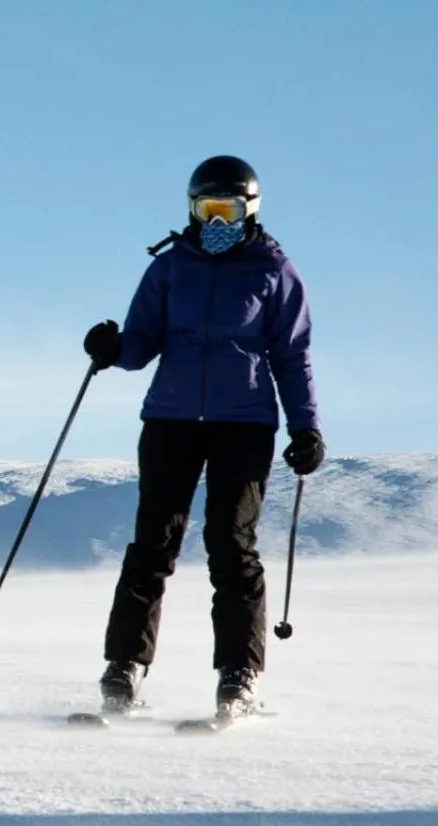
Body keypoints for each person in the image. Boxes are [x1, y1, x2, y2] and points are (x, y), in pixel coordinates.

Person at [81, 155, 325, 718]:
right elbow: (141, 342)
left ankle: (239, 674)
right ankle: (124, 668)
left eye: (228, 210)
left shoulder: (273, 270)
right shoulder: (170, 268)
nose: (216, 223)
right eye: (206, 210)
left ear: (250, 211)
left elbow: (293, 356)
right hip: (169, 420)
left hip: (244, 424)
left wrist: (306, 426)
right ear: (191, 210)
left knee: (229, 545)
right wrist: (113, 349)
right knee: (152, 545)